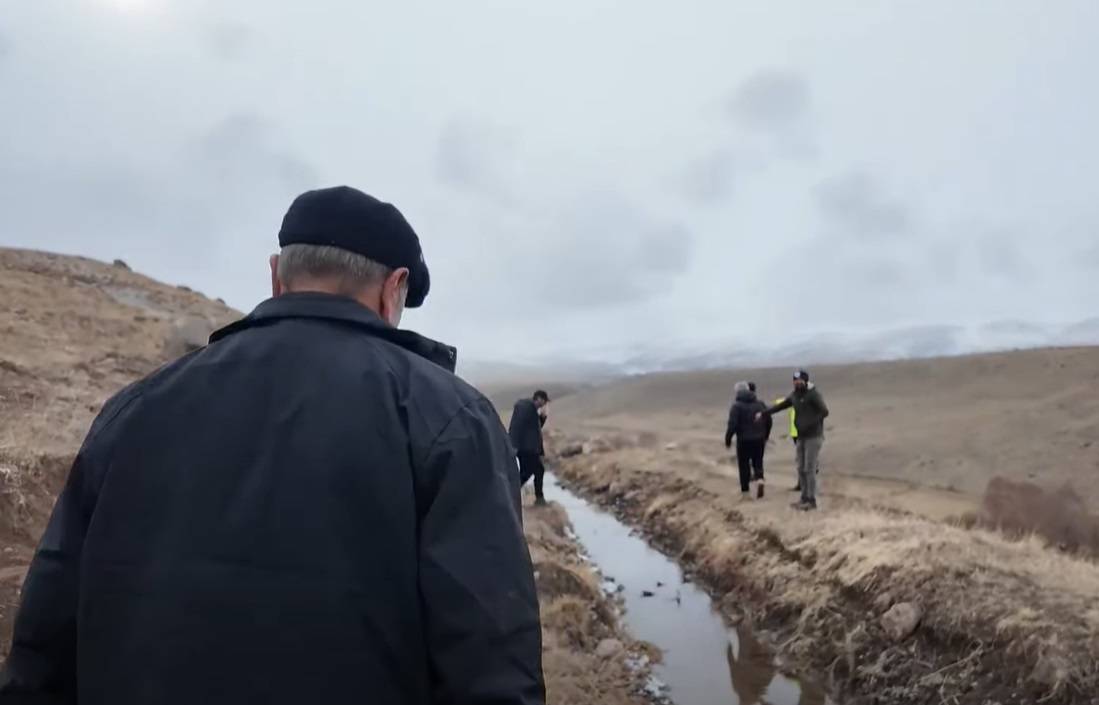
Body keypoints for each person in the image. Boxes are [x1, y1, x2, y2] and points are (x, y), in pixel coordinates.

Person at [0, 186, 546, 705]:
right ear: (392, 287)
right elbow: (490, 659)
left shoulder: (134, 409)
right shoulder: (452, 420)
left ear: (276, 276)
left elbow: (45, 643)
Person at [759, 369, 829, 511]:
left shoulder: (813, 394)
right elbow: (782, 405)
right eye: (795, 380)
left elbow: (824, 411)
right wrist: (764, 413)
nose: (797, 383)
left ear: (805, 381)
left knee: (809, 468)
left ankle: (811, 500)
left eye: (800, 380)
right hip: (801, 437)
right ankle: (803, 498)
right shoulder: (795, 395)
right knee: (801, 468)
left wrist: (809, 423)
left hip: (813, 436)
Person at [725, 381, 771, 499]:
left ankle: (745, 493)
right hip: (759, 438)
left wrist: (728, 439)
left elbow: (732, 425)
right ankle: (760, 479)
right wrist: (765, 435)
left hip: (744, 440)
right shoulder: (760, 404)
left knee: (744, 465)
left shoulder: (736, 406)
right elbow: (768, 420)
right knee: (758, 461)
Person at [509, 390, 550, 505]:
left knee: (534, 471)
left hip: (529, 448)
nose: (544, 404)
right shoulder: (525, 407)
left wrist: (543, 417)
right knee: (528, 472)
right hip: (526, 449)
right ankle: (510, 493)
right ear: (539, 399)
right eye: (544, 401)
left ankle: (538, 498)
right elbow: (518, 427)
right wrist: (514, 446)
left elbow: (534, 428)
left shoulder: (531, 409)